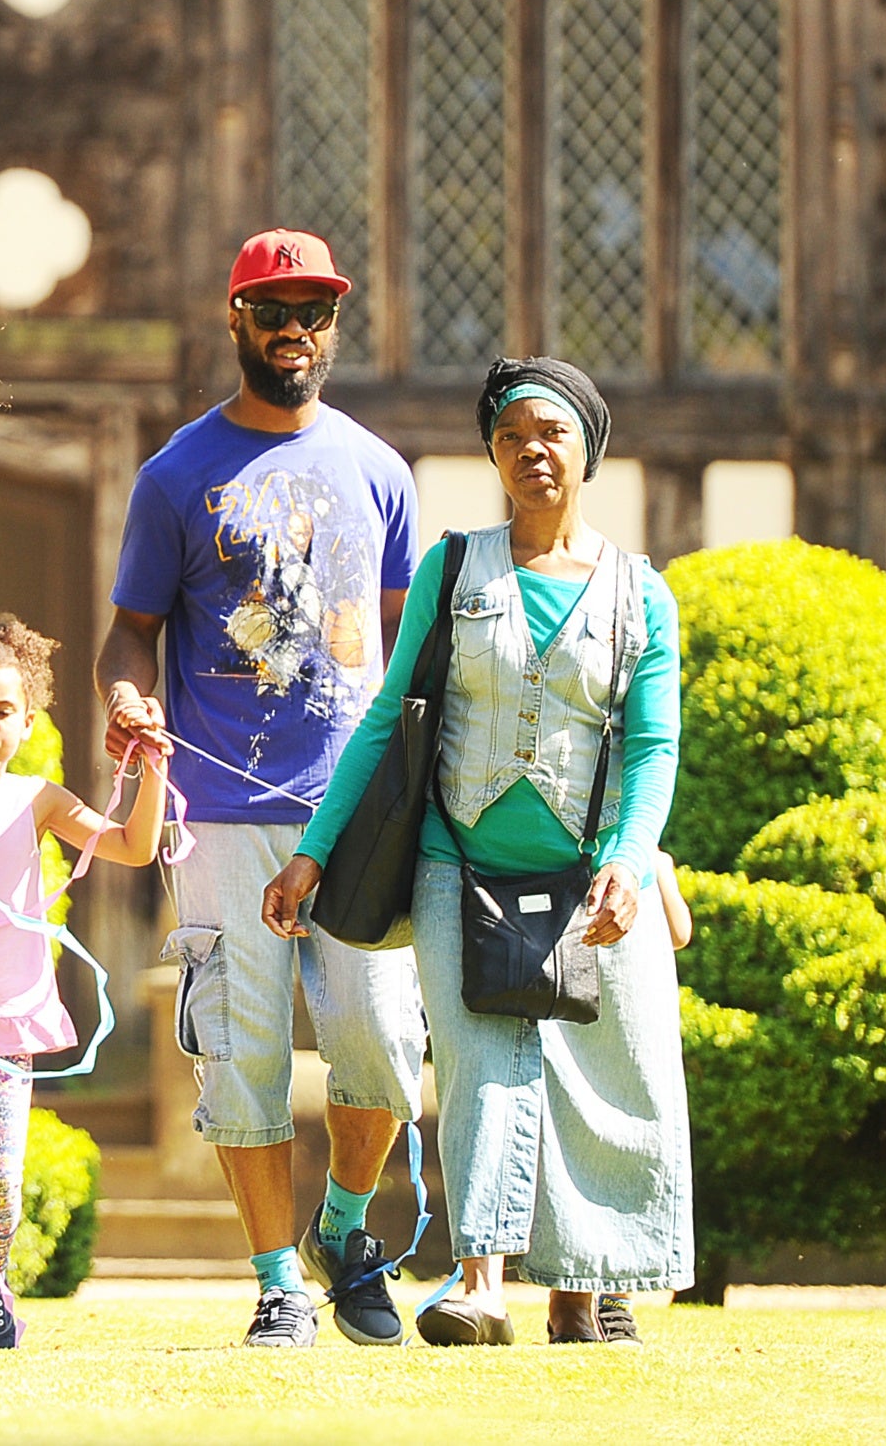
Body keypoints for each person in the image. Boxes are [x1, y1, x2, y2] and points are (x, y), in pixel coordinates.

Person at [268, 355, 692, 1348]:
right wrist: (314, 854)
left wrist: (629, 862)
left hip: (587, 871)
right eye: (511, 438)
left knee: (599, 1068)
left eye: (552, 433)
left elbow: (652, 746)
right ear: (494, 454)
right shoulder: (454, 570)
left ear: (588, 444)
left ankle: (586, 1289)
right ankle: (479, 1282)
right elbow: (386, 721)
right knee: (481, 1068)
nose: (532, 453)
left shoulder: (643, 596)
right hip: (457, 860)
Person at [96, 228, 430, 1348]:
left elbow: (399, 648)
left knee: (381, 1043)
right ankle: (277, 1280)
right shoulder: (176, 474)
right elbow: (127, 636)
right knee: (241, 1056)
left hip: (356, 814)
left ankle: (345, 1230)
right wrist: (130, 702)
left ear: (335, 327)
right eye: (274, 311)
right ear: (234, 319)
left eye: (317, 313)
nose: (297, 330)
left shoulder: (380, 471)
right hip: (222, 813)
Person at [0, 617, 170, 1352]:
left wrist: (153, 771)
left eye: (2, 712)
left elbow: (132, 845)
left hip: (4, 1019)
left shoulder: (38, 799)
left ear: (29, 720)